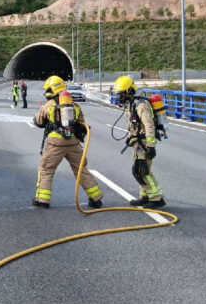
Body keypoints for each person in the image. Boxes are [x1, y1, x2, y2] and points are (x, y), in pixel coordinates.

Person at [32, 75, 103, 209]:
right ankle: (96, 199)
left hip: (55, 145)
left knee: (46, 170)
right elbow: (82, 123)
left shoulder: (49, 105)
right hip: (74, 144)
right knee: (81, 170)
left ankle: (43, 200)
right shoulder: (74, 105)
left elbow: (38, 121)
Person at [110, 76, 165, 208]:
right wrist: (131, 137)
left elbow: (149, 125)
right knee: (138, 170)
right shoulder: (132, 105)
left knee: (143, 170)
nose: (119, 96)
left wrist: (151, 146)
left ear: (129, 91)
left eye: (121, 93)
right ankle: (145, 197)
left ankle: (157, 198)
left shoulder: (141, 105)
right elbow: (133, 126)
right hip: (138, 143)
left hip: (144, 143)